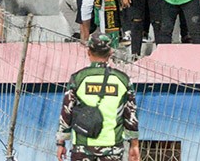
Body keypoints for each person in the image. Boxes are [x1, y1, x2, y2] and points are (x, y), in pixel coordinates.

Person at [56, 33, 139, 161]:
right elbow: (131, 115)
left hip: (83, 147)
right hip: (112, 149)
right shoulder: (122, 80)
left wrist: (61, 143)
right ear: (111, 52)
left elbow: (67, 112)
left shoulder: (78, 78)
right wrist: (134, 144)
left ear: (88, 52)